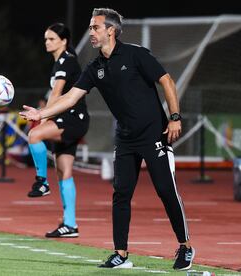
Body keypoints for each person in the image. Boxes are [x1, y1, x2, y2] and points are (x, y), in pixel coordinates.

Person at [20, 8, 194, 271]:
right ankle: (120, 253)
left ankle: (185, 246)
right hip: (125, 139)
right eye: (91, 27)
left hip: (154, 135)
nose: (91, 32)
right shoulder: (95, 67)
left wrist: (175, 117)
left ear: (110, 31)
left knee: (165, 190)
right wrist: (41, 113)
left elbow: (167, 81)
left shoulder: (136, 54)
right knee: (121, 194)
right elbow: (70, 98)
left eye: (95, 27)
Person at [26, 23, 89, 238]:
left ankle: (41, 182)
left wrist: (43, 117)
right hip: (70, 119)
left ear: (64, 41)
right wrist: (43, 113)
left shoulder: (67, 61)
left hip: (72, 118)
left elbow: (57, 94)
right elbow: (55, 96)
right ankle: (70, 225)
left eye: (52, 39)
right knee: (64, 170)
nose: (47, 42)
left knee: (34, 135)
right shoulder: (59, 63)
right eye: (46, 39)